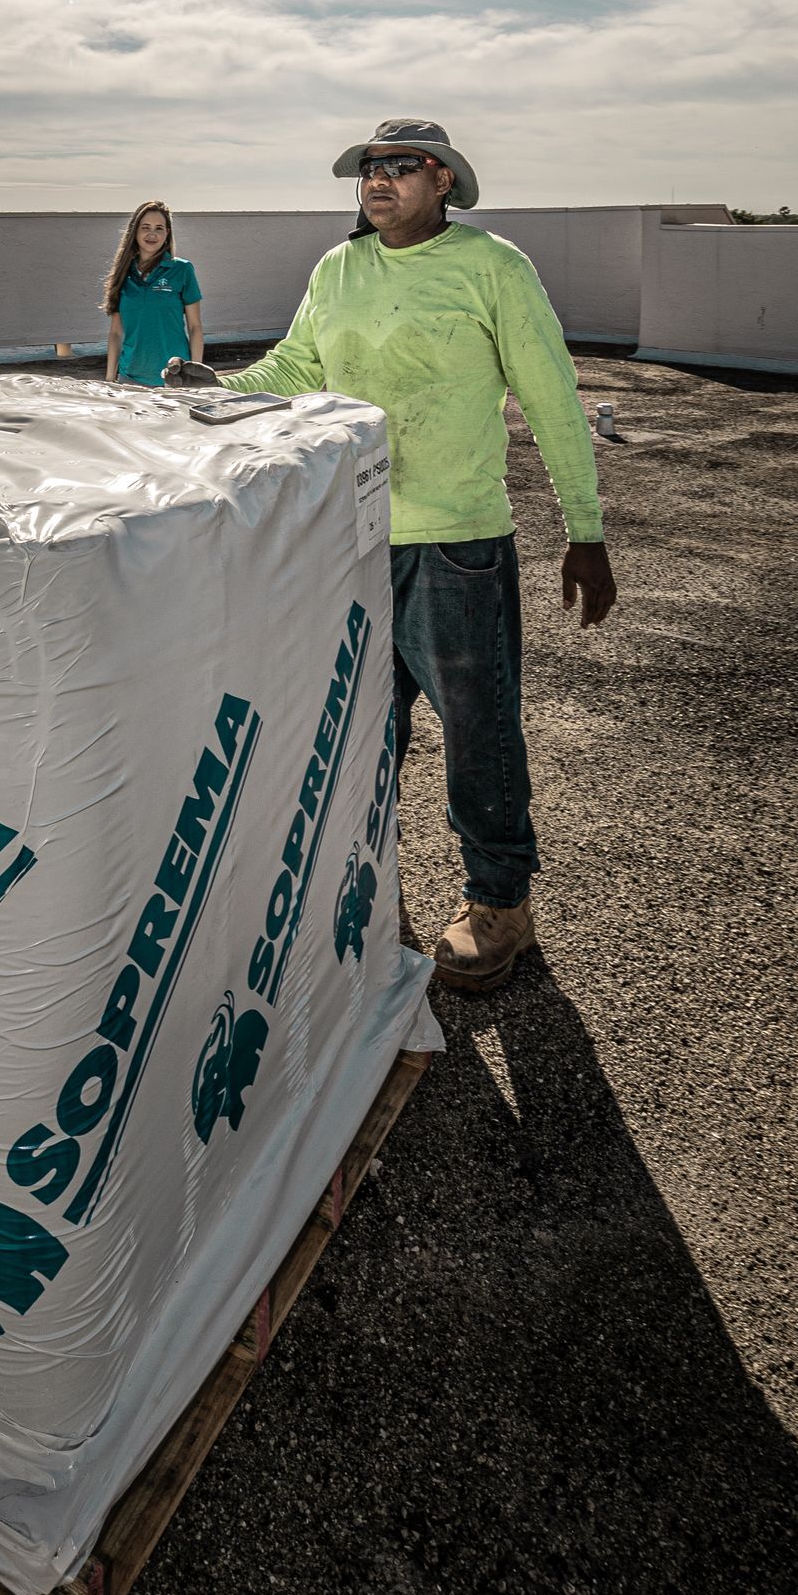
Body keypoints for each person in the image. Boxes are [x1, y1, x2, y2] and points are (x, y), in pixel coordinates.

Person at [166, 117, 615, 996]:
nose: (378, 182)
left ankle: (499, 904)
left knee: (476, 733)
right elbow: (297, 366)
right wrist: (213, 388)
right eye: (369, 169)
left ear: (443, 181)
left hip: (455, 546)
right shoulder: (339, 270)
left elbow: (551, 396)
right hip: (350, 536)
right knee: (358, 731)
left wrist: (586, 530)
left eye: (400, 169)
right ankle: (368, 892)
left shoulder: (493, 267)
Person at [102, 201, 203, 387]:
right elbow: (116, 332)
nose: (152, 234)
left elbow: (195, 327)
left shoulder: (182, 270)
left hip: (174, 378)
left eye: (159, 228)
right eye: (145, 227)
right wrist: (110, 379)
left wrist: (196, 372)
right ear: (135, 232)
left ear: (167, 234)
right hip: (129, 378)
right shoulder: (122, 274)